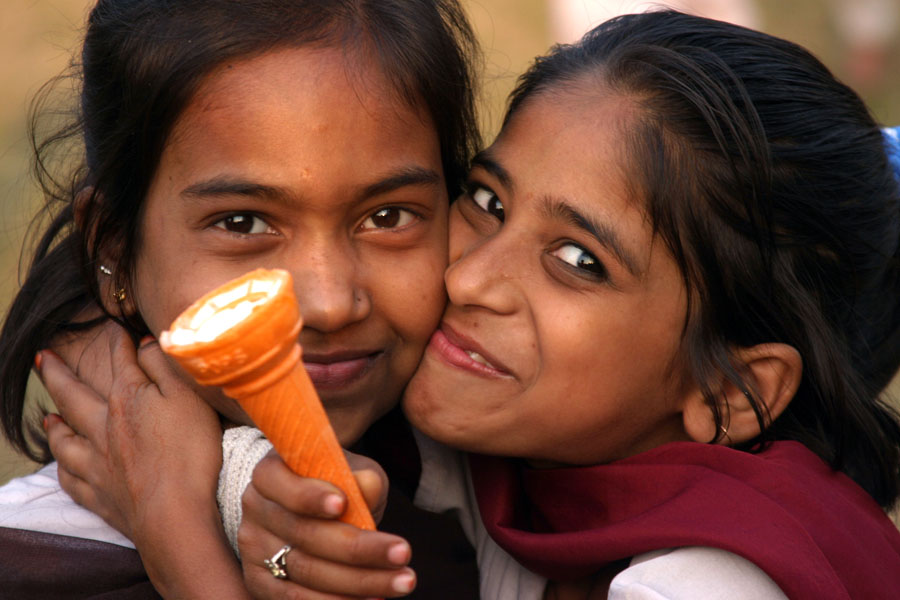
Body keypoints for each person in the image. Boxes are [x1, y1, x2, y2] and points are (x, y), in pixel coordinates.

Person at [29, 8, 900, 600]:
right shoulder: (504, 465)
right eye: (486, 201)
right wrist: (224, 465)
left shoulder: (711, 581)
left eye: (578, 260)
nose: (470, 280)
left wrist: (180, 535)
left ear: (730, 392)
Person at [0, 0, 483, 598]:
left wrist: (179, 529)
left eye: (388, 217)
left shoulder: (500, 479)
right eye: (242, 224)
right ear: (116, 249)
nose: (330, 305)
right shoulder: (35, 563)